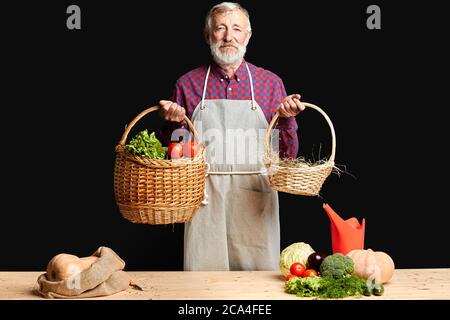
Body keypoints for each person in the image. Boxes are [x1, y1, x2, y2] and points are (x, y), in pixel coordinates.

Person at [159, 2, 304, 271]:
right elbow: (177, 155)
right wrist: (174, 124)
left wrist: (287, 119)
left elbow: (286, 156)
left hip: (255, 198)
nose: (228, 37)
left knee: (258, 285)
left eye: (237, 29)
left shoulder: (270, 84)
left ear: (248, 36)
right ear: (208, 35)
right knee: (205, 283)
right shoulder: (187, 84)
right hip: (204, 199)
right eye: (220, 28)